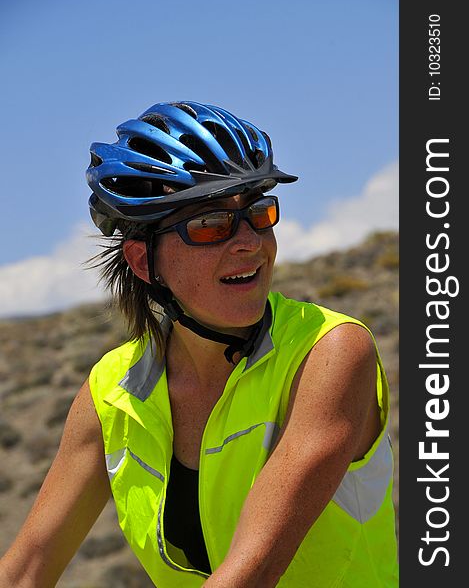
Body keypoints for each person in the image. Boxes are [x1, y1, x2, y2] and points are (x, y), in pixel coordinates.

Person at [0, 100, 398, 587]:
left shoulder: (328, 352)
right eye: (210, 225)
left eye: (258, 213)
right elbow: (26, 570)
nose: (250, 242)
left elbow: (250, 575)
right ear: (145, 263)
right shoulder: (111, 395)